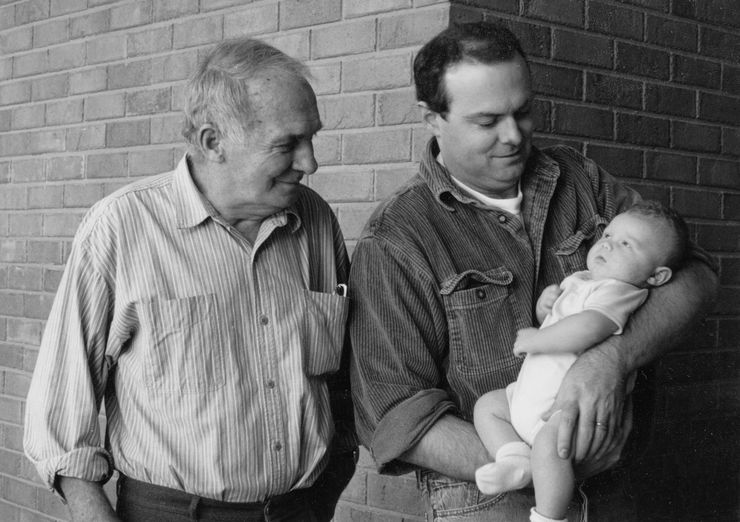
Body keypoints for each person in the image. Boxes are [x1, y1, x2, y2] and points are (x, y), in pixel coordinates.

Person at [348, 22, 717, 521]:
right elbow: (394, 416)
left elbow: (694, 275)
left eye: (523, 112)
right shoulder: (396, 238)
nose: (513, 136)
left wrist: (611, 359)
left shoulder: (580, 180)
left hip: (613, 486)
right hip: (489, 499)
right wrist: (554, 459)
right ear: (432, 117)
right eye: (487, 121)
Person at [24, 38, 357, 522]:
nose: (311, 163)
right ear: (212, 142)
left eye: (312, 139)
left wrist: (333, 475)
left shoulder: (317, 222)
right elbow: (59, 416)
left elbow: (342, 380)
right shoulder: (120, 227)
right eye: (288, 144)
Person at [473, 201, 689, 522]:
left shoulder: (619, 291)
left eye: (626, 244)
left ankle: (548, 516)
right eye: (609, 233)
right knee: (489, 406)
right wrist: (547, 309)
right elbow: (562, 318)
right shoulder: (585, 280)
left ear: (656, 276)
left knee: (552, 450)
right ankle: (514, 458)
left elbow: (588, 328)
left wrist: (537, 338)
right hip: (531, 397)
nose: (607, 243)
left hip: (562, 410)